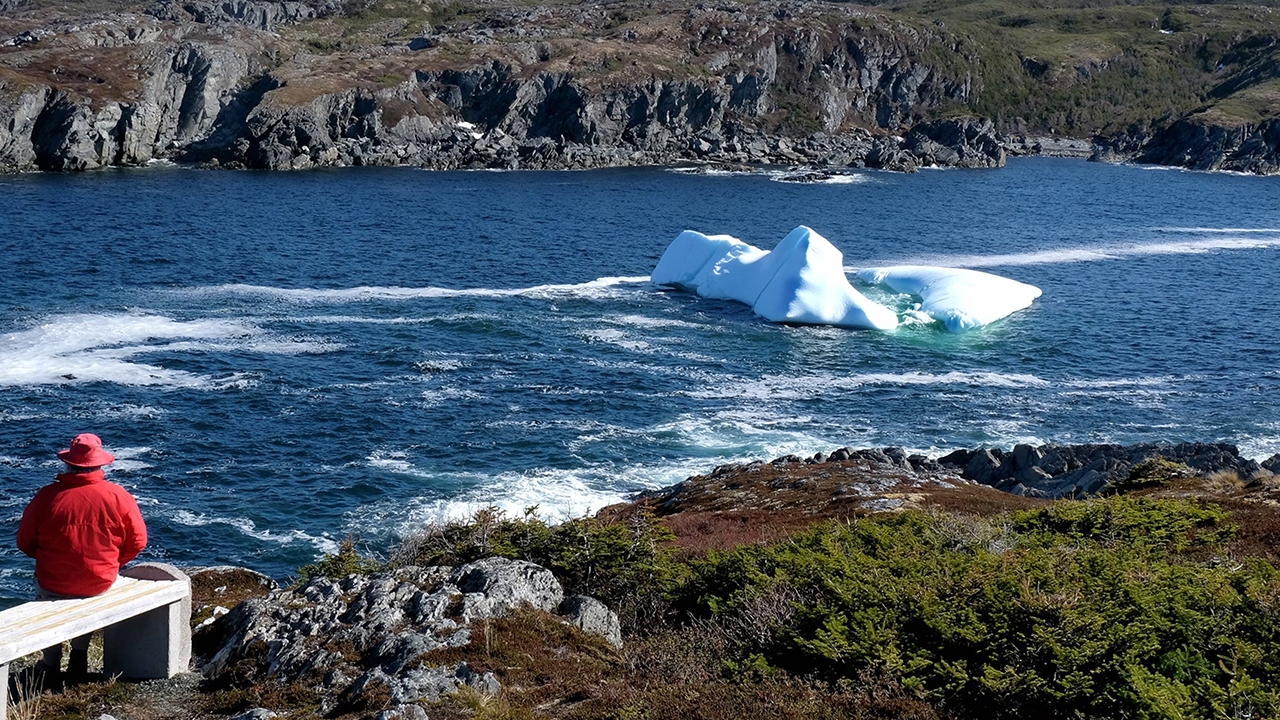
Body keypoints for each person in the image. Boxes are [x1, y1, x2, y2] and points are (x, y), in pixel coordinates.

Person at [16, 433, 148, 685]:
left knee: (47, 597)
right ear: (99, 464)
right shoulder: (118, 495)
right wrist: (113, 563)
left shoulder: (47, 497)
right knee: (86, 595)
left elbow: (24, 542)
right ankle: (79, 658)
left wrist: (50, 557)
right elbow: (138, 541)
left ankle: (50, 666)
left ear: (68, 464)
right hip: (100, 580)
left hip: (53, 581)